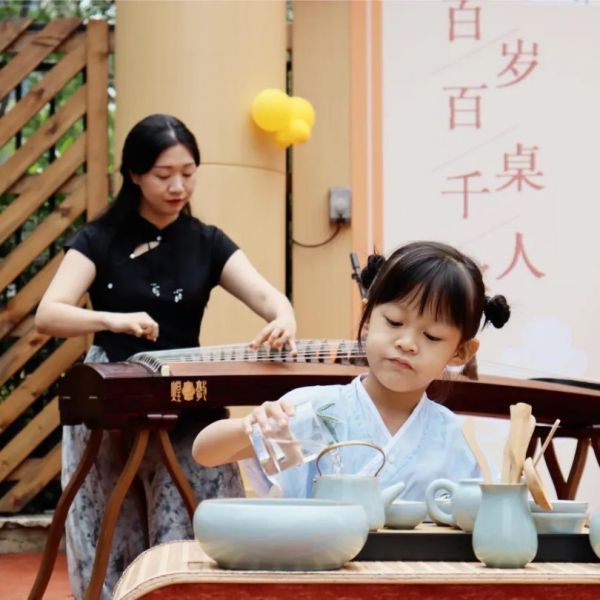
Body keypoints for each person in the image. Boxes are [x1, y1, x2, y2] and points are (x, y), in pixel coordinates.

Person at [35, 113, 297, 599]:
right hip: (110, 392)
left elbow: (268, 298)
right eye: (163, 175)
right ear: (133, 174)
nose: (178, 186)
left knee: (194, 506)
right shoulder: (100, 239)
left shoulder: (207, 241)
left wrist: (284, 317)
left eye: (188, 172)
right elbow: (48, 314)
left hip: (186, 392)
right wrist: (112, 320)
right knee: (109, 518)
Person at [192, 241, 510, 499]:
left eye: (431, 336)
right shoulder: (315, 409)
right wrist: (248, 427)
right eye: (395, 322)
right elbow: (205, 452)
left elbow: (479, 515)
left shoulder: (453, 439)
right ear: (368, 318)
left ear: (460, 351)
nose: (407, 343)